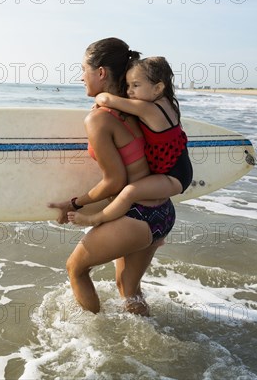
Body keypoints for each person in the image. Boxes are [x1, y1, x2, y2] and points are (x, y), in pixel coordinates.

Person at [48, 38, 175, 316]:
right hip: (162, 212)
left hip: (136, 216)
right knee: (129, 288)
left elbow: (114, 182)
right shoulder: (139, 104)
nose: (81, 77)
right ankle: (145, 340)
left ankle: (96, 340)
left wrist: (75, 203)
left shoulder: (99, 119)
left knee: (76, 269)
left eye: (84, 69)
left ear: (101, 72)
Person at [68, 57, 193, 227]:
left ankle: (95, 219)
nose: (129, 92)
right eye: (127, 86)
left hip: (174, 177)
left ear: (158, 88)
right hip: (178, 168)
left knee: (129, 192)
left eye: (136, 85)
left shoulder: (148, 109)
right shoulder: (168, 104)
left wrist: (99, 98)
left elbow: (106, 100)